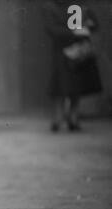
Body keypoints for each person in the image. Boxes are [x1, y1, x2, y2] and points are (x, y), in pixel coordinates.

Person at [43, 0, 102, 132]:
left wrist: (85, 28)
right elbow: (51, 29)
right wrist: (75, 32)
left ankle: (72, 117)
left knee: (76, 85)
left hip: (79, 49)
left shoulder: (80, 5)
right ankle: (57, 118)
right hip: (61, 49)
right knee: (59, 86)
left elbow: (93, 23)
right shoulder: (50, 6)